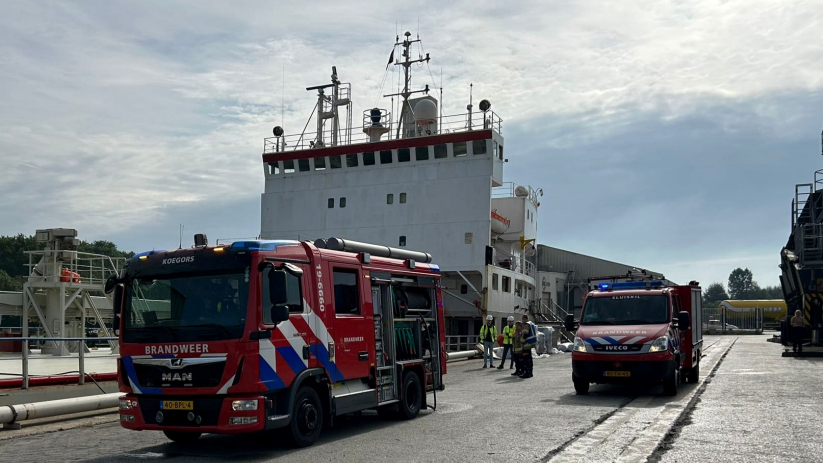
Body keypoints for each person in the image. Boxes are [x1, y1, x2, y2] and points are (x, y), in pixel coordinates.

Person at [520, 314, 537, 378]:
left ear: (525, 319)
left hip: (527, 343)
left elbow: (525, 333)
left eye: (523, 319)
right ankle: (530, 372)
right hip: (532, 342)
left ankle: (527, 372)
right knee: (529, 358)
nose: (522, 320)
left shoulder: (527, 325)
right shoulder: (531, 324)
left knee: (526, 358)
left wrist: (521, 341)